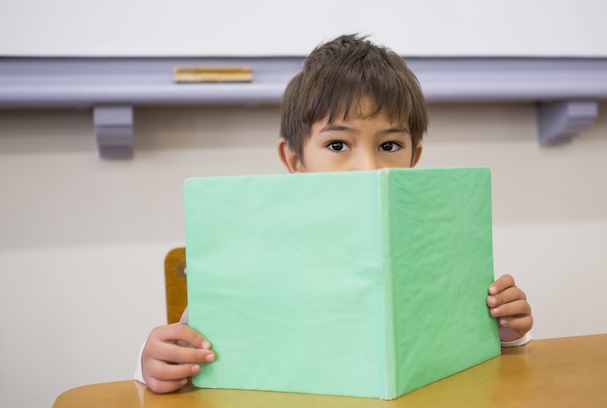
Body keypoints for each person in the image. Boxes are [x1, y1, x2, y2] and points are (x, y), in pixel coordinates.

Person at [135, 34, 533, 394]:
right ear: (294, 160)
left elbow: (461, 357)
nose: (368, 166)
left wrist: (502, 332)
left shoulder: (438, 249)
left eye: (390, 145)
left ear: (414, 159)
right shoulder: (249, 255)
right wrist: (152, 362)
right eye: (339, 145)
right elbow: (186, 357)